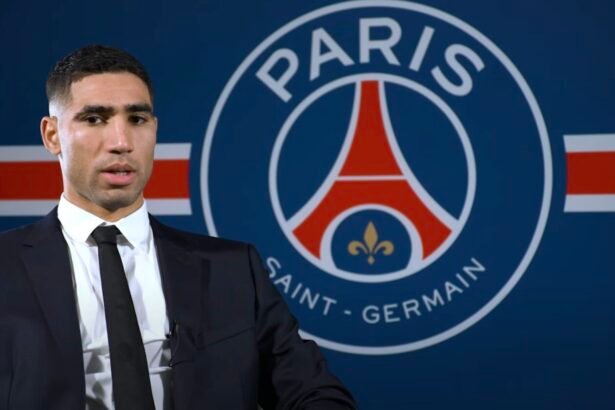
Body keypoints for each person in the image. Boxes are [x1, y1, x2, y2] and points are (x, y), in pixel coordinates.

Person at [0, 45, 355, 410]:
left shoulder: (233, 270)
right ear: (52, 135)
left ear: (154, 129)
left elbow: (316, 394)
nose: (121, 142)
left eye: (137, 119)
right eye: (94, 119)